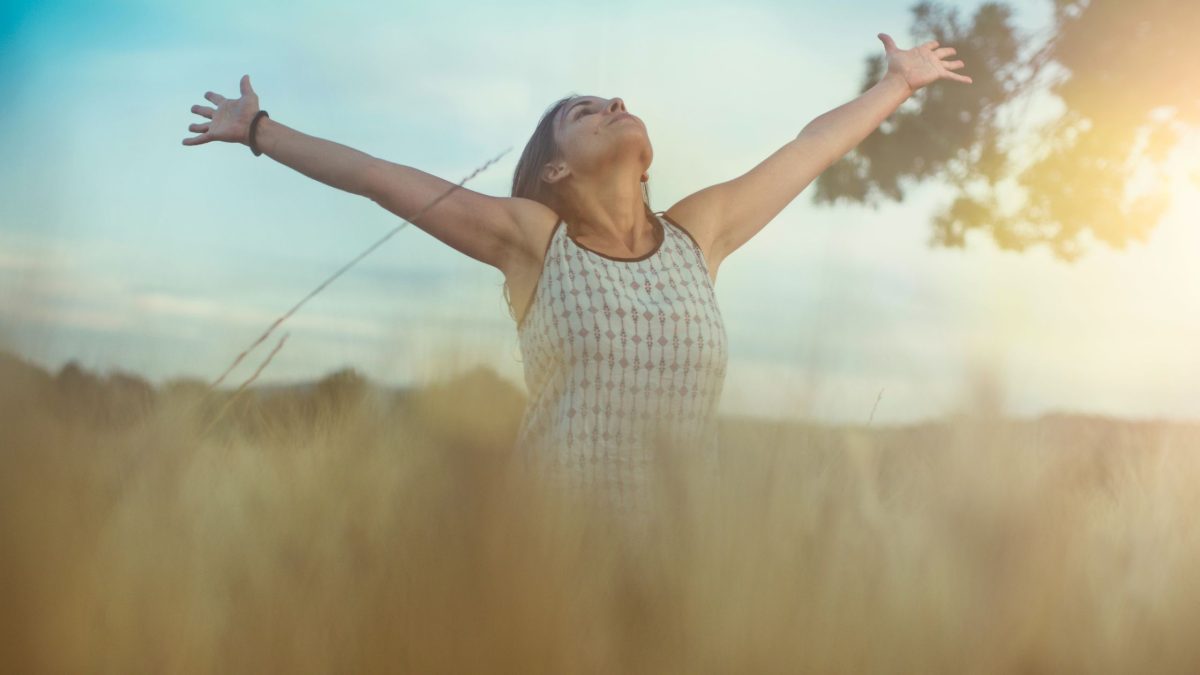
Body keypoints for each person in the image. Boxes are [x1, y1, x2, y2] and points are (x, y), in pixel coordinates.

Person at [182, 33, 971, 524]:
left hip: (682, 559)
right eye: (585, 110)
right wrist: (258, 130)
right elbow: (380, 177)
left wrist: (898, 82)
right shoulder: (534, 240)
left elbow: (810, 147)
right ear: (553, 167)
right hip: (554, 553)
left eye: (612, 102)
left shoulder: (699, 234)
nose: (612, 104)